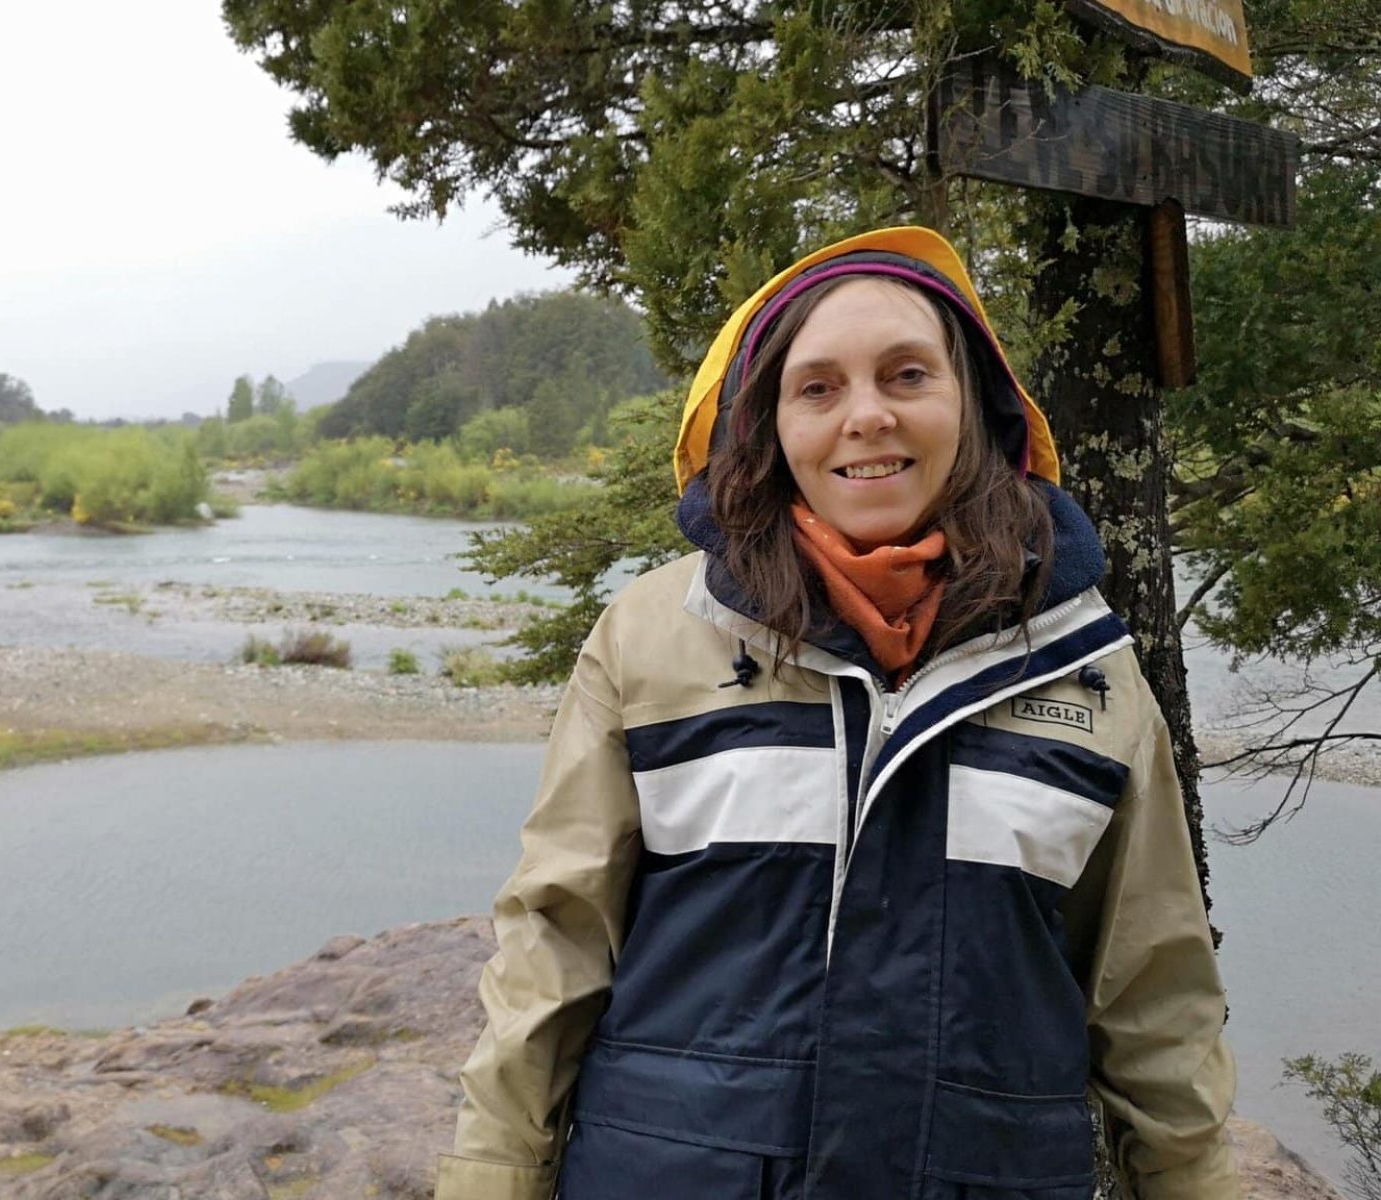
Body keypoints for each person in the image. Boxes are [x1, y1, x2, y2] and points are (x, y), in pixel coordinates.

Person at [433, 226, 1237, 1200]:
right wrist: (490, 1175)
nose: (866, 417)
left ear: (974, 409)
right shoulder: (652, 635)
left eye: (906, 376)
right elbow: (553, 943)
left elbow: (1154, 998)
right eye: (816, 388)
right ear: (763, 423)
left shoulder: (1086, 666)